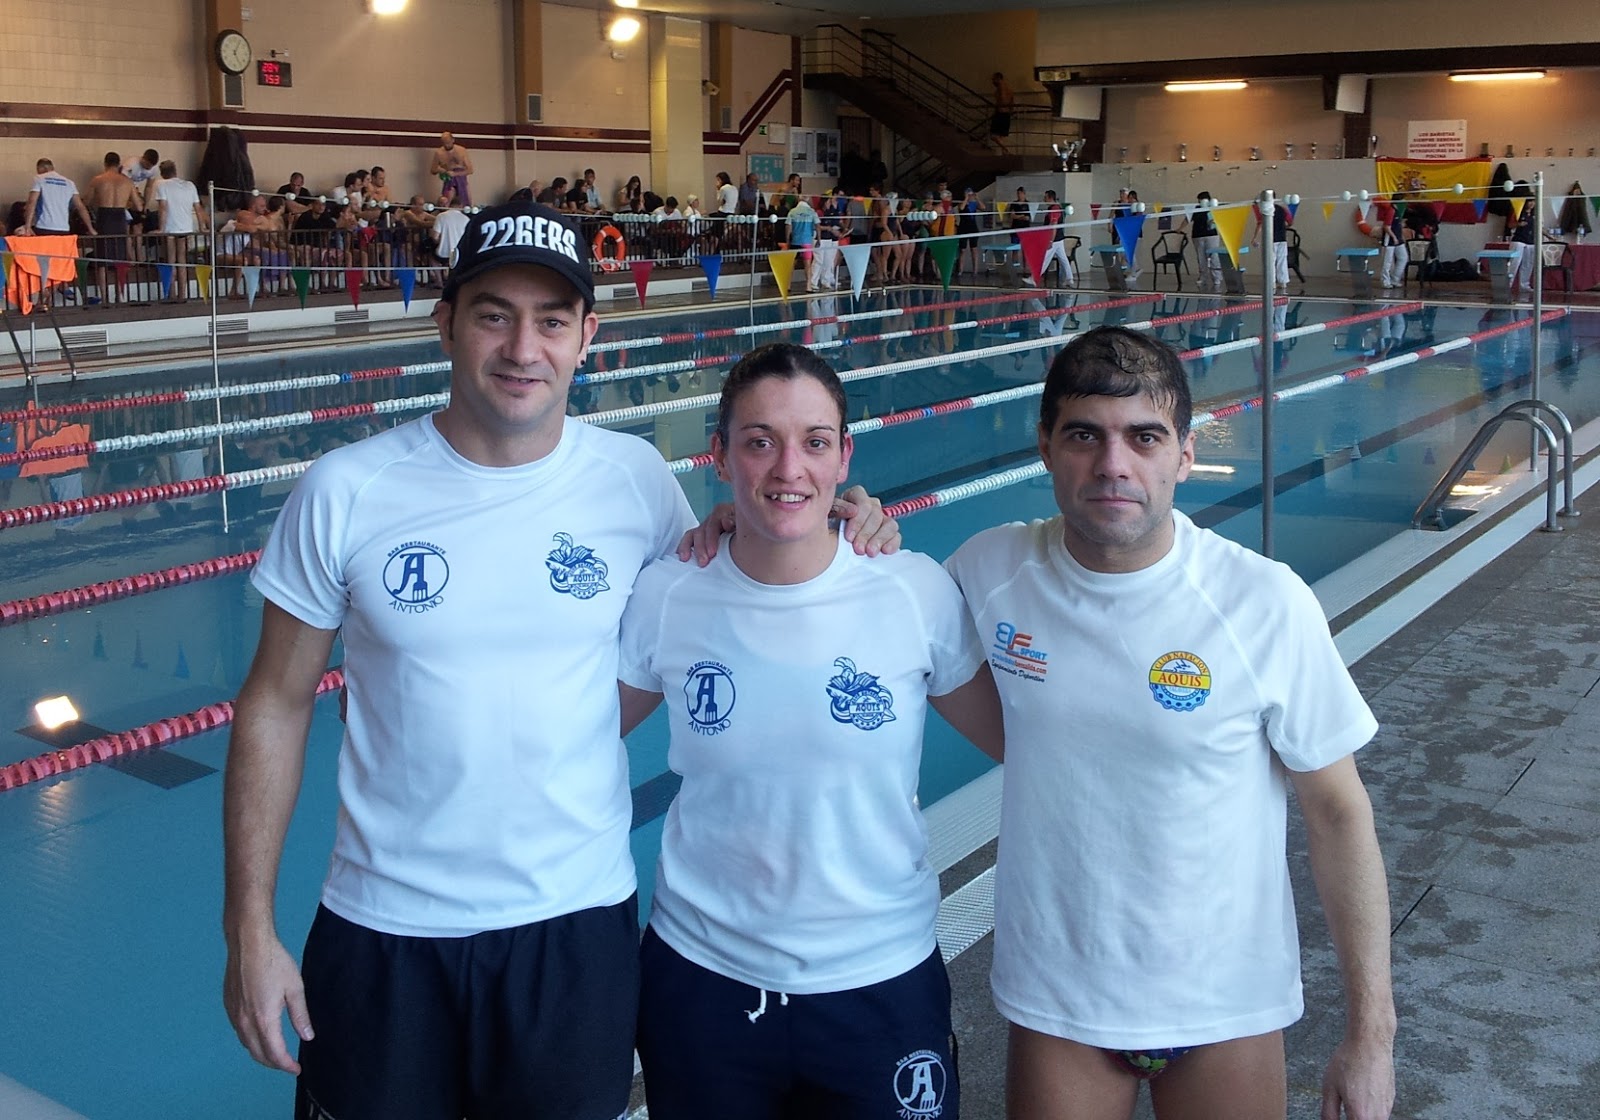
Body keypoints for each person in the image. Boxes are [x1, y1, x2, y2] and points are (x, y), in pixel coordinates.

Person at [221, 198, 896, 1120]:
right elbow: (275, 701)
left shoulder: (635, 481)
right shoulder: (347, 489)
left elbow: (737, 589)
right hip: (384, 926)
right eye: (493, 314)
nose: (521, 348)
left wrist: (849, 521)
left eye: (550, 321)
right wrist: (248, 927)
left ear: (587, 336)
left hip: (573, 929)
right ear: (446, 323)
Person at [945, 326, 1396, 1120]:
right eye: (1085, 435)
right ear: (1045, 447)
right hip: (1061, 1001)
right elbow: (865, 603)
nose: (1113, 465)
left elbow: (1337, 811)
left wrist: (1372, 1036)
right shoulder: (989, 570)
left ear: (1185, 454)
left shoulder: (1262, 601)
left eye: (1144, 437)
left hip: (1226, 1002)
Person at [618, 342, 1003, 1120]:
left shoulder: (912, 591)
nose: (789, 468)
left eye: (814, 442)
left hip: (880, 979)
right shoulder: (670, 593)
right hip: (703, 978)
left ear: (844, 457)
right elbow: (572, 738)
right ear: (719, 455)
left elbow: (1027, 745)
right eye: (760, 441)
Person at [86, 151, 143, 304]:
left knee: (102, 261)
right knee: (120, 260)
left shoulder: (97, 180)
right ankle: (119, 296)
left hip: (104, 218)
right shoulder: (127, 182)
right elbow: (138, 206)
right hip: (120, 219)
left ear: (105, 164)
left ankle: (104, 298)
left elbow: (87, 201)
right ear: (119, 165)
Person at [429, 131, 474, 206]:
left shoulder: (461, 150)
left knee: (466, 203)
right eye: (444, 143)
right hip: (448, 179)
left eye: (448, 142)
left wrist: (455, 174)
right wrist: (440, 170)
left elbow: (470, 170)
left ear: (453, 140)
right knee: (446, 200)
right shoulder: (439, 153)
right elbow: (433, 170)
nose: (446, 145)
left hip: (461, 179)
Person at [1190, 192, 1222, 293]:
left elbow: (1218, 219)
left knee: (1214, 256)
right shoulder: (1196, 208)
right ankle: (1203, 277)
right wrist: (1179, 229)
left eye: (1200, 199)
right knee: (1201, 258)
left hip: (1211, 235)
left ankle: (1217, 278)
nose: (1199, 202)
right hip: (1198, 235)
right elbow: (1188, 219)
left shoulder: (1213, 207)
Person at [990, 72, 1015, 155]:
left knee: (993, 136)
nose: (993, 82)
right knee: (1001, 136)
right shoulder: (1009, 89)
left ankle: (1006, 149)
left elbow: (1003, 100)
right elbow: (1012, 101)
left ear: (998, 79)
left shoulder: (1001, 88)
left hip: (1001, 112)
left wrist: (997, 107)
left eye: (993, 79)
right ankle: (1004, 152)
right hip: (1007, 113)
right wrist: (1011, 110)